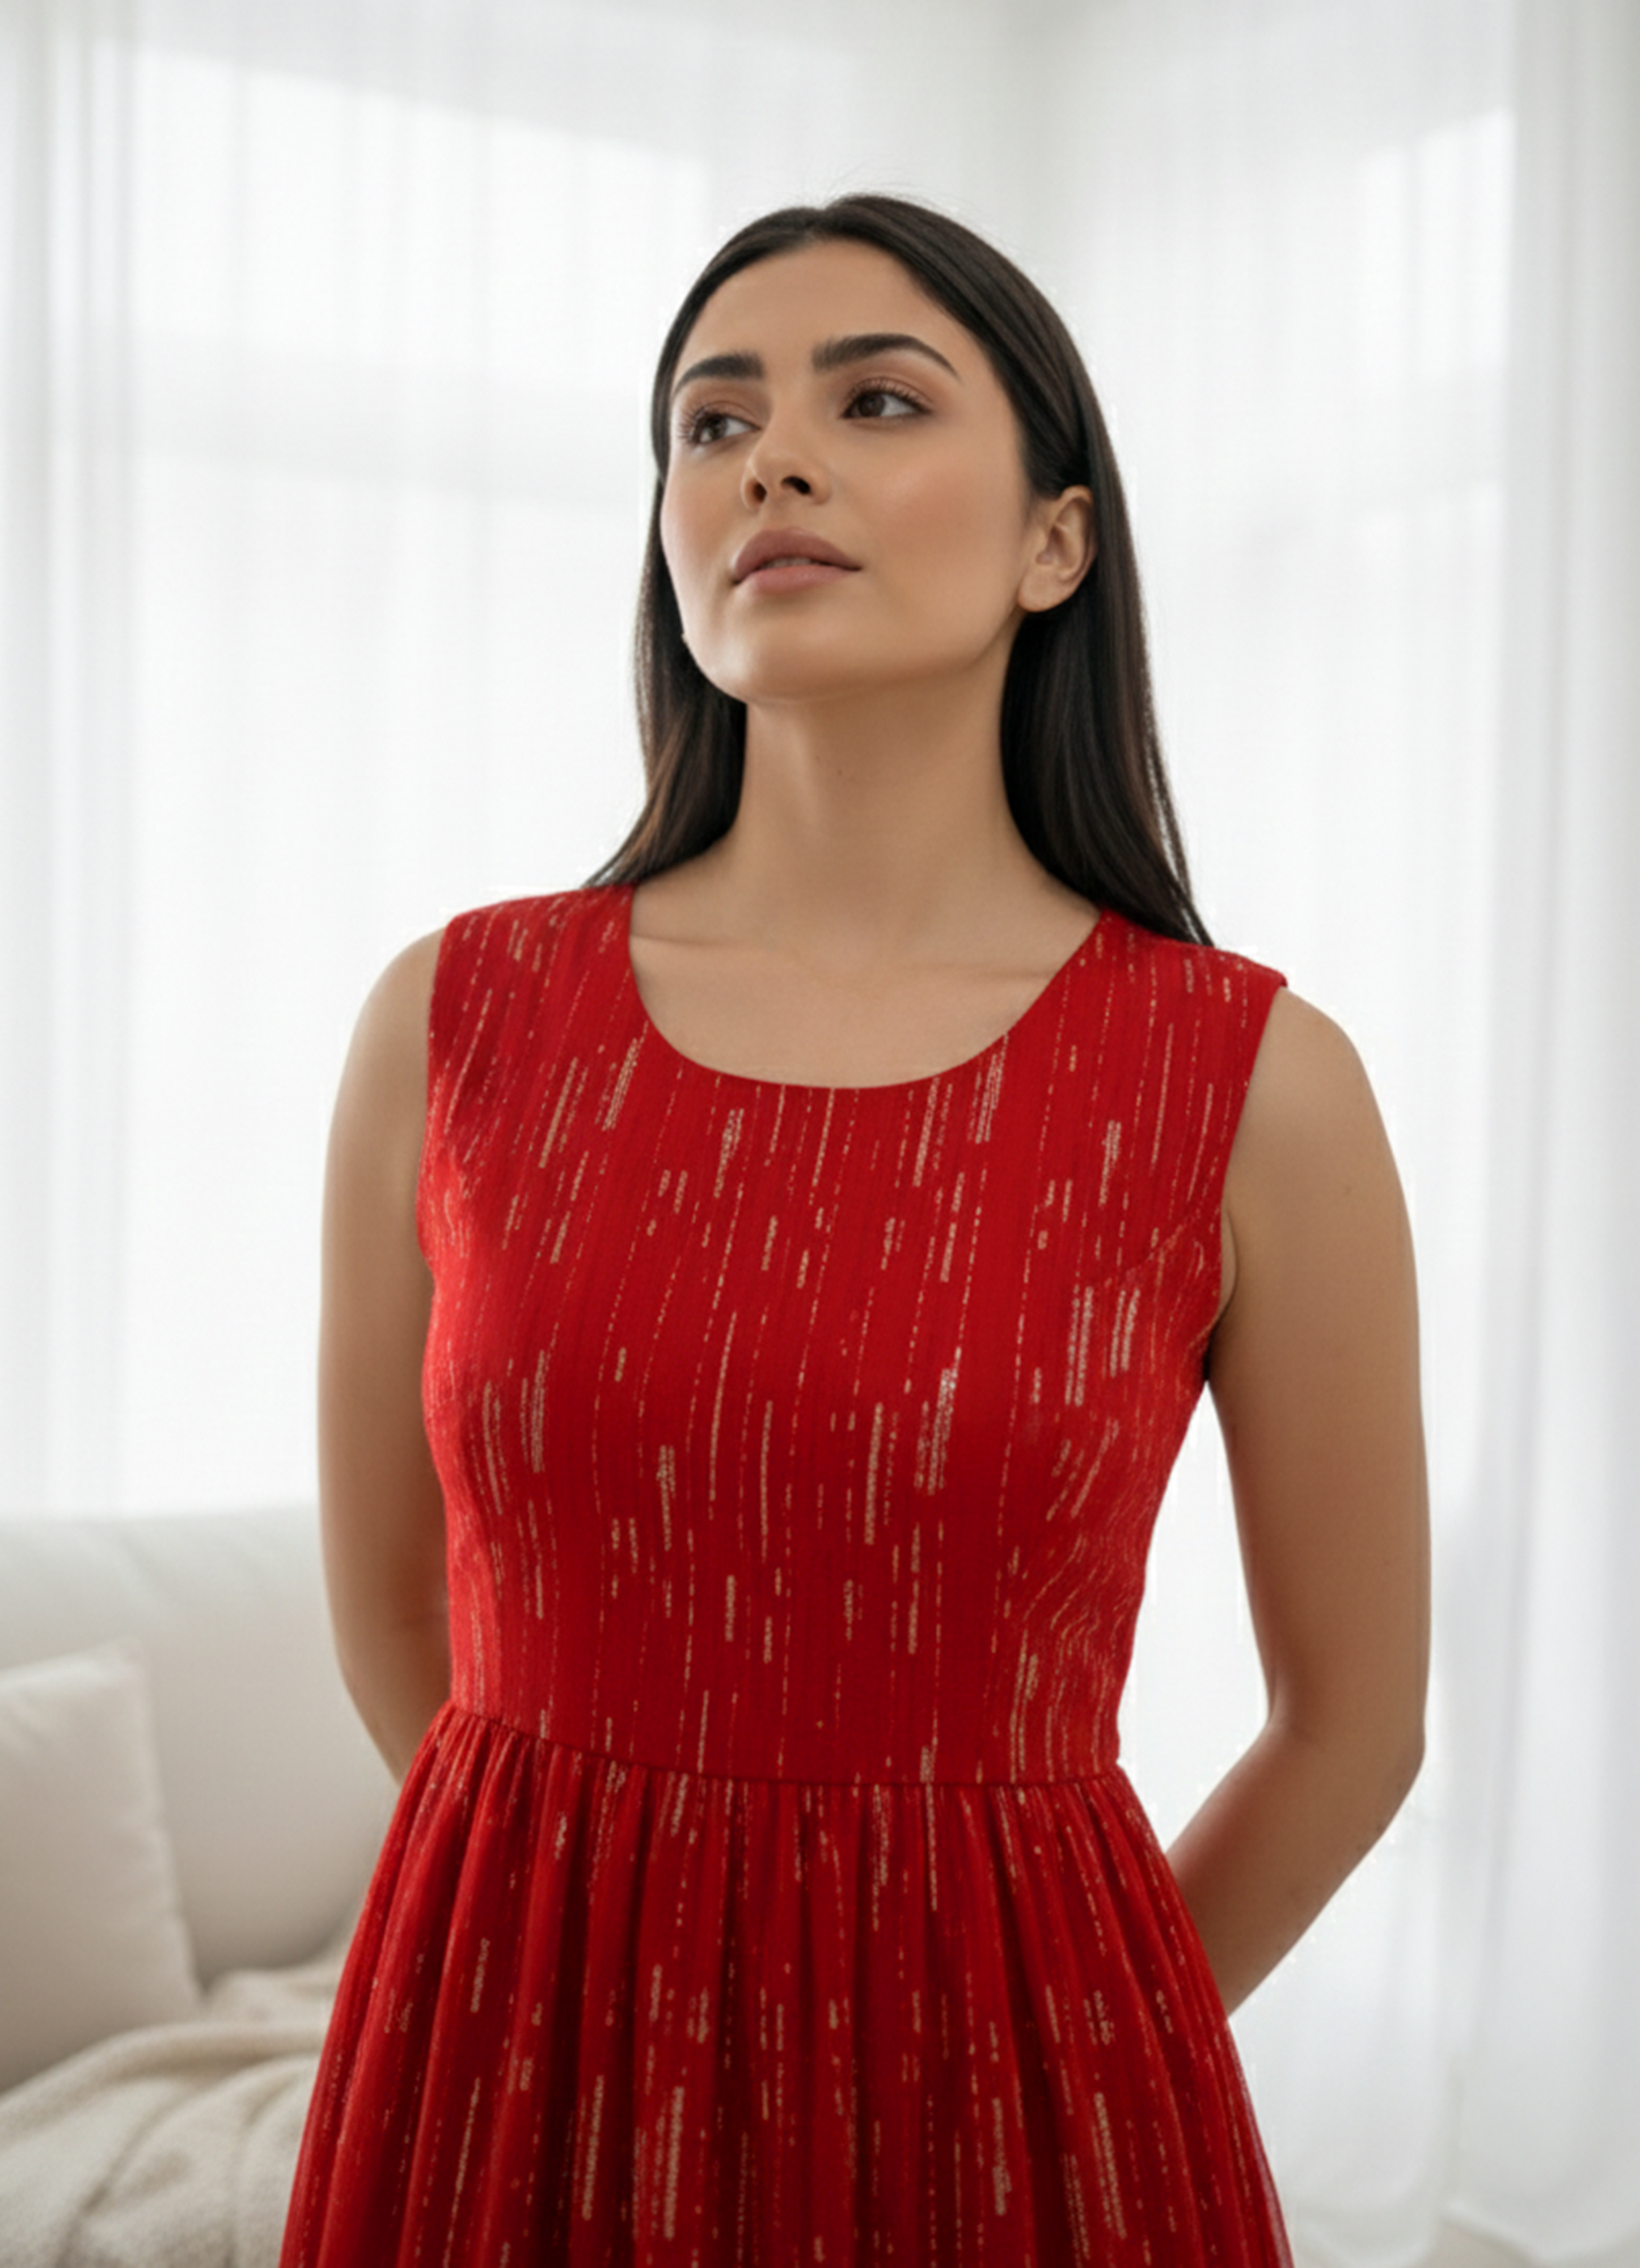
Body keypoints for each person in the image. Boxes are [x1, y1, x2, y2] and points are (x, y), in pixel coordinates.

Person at [280, 191, 1429, 2265]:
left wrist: (1062, 2048)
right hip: (500, 2097)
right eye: (709, 426)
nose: (767, 462)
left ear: (1058, 541)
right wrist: (558, 1970)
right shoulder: (451, 1023)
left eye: (873, 401)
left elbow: (1354, 1726)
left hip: (1021, 2145)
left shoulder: (1254, 1085)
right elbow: (395, 1629)